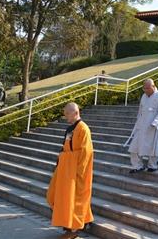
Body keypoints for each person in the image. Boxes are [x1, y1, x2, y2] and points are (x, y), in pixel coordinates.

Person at [47, 102, 94, 239]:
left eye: (67, 113)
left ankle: (73, 230)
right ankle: (70, 224)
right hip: (65, 169)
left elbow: (87, 152)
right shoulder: (70, 129)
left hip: (75, 172)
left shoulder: (83, 128)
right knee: (54, 195)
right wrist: (60, 162)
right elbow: (65, 147)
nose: (65, 116)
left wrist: (78, 172)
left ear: (75, 112)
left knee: (75, 200)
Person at [126, 79, 158, 173]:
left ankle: (152, 165)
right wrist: (138, 122)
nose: (146, 90)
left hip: (153, 127)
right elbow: (140, 110)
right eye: (144, 88)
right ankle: (137, 166)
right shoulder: (144, 96)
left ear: (153, 86)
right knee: (134, 147)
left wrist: (156, 122)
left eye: (148, 88)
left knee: (153, 146)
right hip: (141, 126)